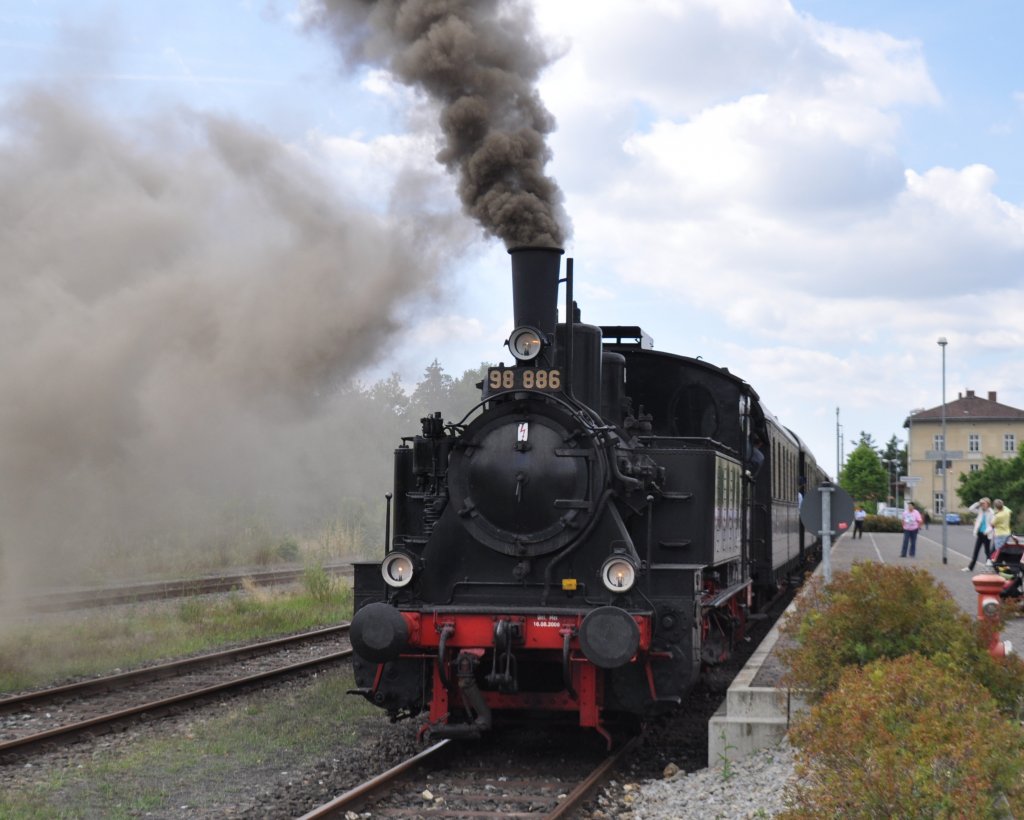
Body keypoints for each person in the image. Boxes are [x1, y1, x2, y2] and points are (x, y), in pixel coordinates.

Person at [963, 497, 994, 572]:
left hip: (986, 534)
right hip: (980, 533)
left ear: (988, 504)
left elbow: (992, 525)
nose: (982, 505)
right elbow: (970, 509)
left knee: (987, 552)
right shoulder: (980, 510)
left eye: (984, 503)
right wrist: (978, 503)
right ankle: (970, 567)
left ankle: (989, 568)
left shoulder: (991, 512)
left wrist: (986, 531)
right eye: (982, 504)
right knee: (976, 551)